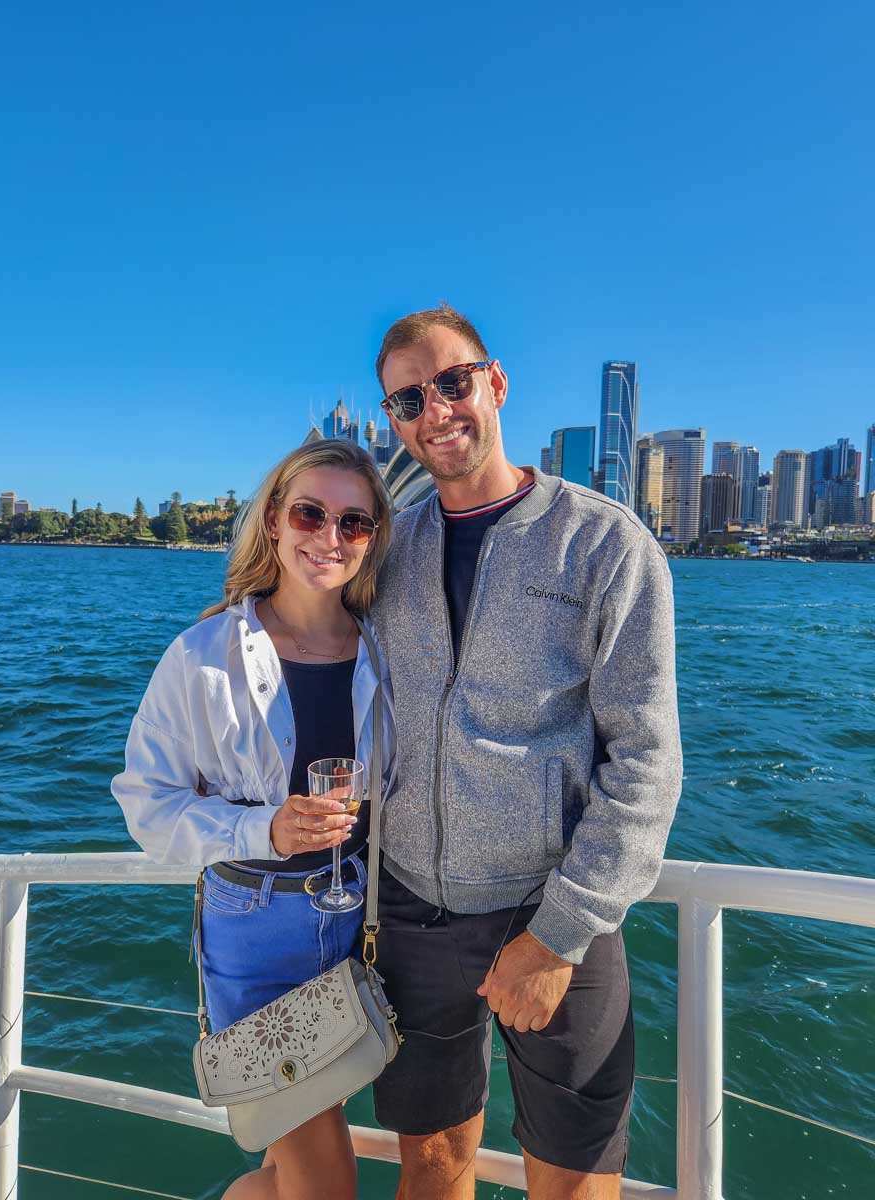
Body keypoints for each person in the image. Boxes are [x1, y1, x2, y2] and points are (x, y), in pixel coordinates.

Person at [368, 304, 683, 1200]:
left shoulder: (604, 543)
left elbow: (648, 759)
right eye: (408, 399)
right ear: (393, 418)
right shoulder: (388, 547)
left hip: (553, 919)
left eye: (452, 382)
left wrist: (557, 937)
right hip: (413, 910)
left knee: (575, 1181)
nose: (436, 410)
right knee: (430, 1163)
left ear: (495, 383)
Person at [111, 439, 395, 1200]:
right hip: (254, 930)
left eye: (354, 523)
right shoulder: (202, 657)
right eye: (310, 513)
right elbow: (147, 804)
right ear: (273, 521)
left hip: (356, 926)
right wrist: (262, 830)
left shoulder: (384, 655)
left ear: (373, 540)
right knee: (326, 1181)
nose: (329, 537)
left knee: (286, 1171)